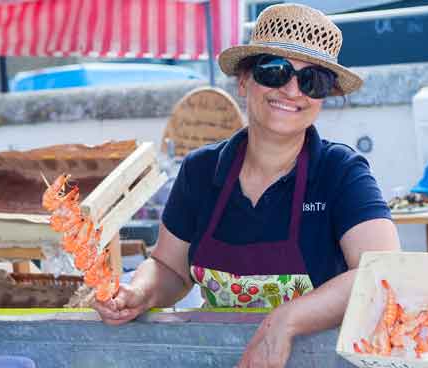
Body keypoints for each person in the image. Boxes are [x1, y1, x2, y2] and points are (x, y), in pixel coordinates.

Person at [93, 3, 400, 367]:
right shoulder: (199, 172)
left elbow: (381, 272)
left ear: (323, 98)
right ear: (244, 80)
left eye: (312, 80)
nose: (291, 90)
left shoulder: (341, 172)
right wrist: (138, 291)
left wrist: (285, 321)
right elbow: (170, 268)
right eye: (274, 71)